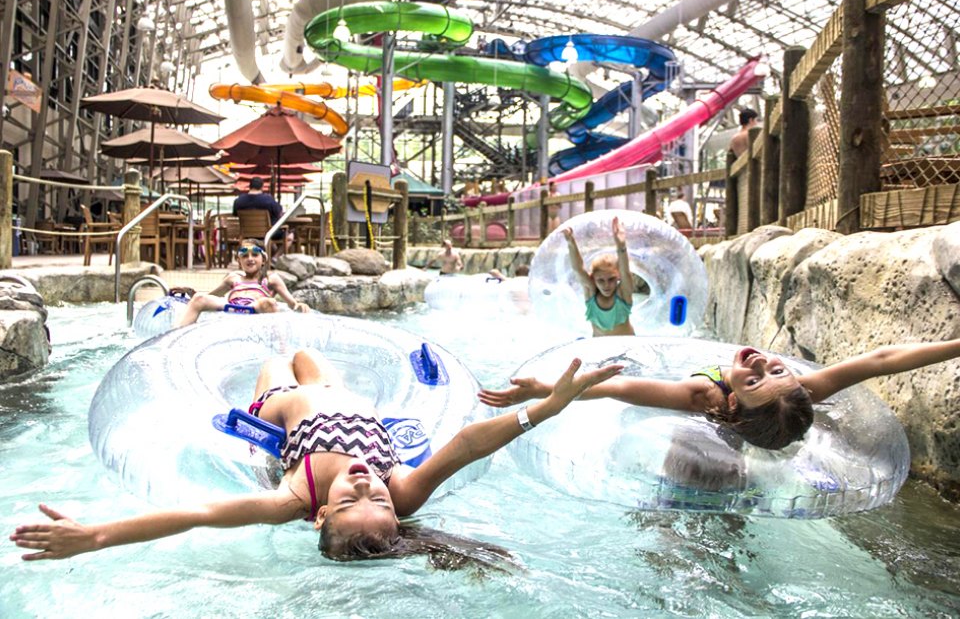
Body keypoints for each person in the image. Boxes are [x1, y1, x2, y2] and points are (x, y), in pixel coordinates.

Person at [10, 350, 622, 562]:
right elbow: (464, 444)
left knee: (273, 364)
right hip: (343, 398)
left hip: (283, 414)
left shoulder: (292, 497)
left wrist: (96, 536)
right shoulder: (402, 492)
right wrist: (546, 410)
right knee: (306, 346)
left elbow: (199, 515)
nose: (363, 482)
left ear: (321, 516)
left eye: (350, 498)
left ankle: (266, 356)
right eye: (375, 494)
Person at [479, 338, 960, 451]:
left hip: (704, 441)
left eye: (753, 379)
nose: (758, 362)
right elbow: (878, 360)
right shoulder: (798, 389)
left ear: (730, 401)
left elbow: (617, 389)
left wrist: (547, 390)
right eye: (775, 368)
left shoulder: (700, 397)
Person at [175, 238, 309, 327]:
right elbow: (211, 296)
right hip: (232, 306)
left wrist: (298, 305)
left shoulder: (270, 279)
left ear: (264, 260)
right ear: (239, 261)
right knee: (199, 298)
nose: (249, 259)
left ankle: (280, 347)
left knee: (269, 302)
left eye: (255, 255)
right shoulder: (233, 278)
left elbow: (292, 303)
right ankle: (174, 335)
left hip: (255, 307)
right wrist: (191, 293)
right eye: (244, 256)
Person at [565, 216, 635, 336]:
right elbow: (578, 269)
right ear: (592, 278)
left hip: (625, 348)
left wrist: (621, 245)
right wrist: (571, 242)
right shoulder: (591, 295)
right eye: (600, 280)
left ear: (618, 276)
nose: (606, 285)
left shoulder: (623, 294)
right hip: (599, 349)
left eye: (611, 279)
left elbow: (625, 272)